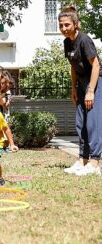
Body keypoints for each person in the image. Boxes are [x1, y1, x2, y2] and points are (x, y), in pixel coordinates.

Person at [58, 6, 102, 176]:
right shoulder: (67, 42)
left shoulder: (84, 40)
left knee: (92, 122)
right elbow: (73, 66)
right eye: (61, 25)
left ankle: (94, 162)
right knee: (80, 121)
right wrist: (74, 88)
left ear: (75, 24)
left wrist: (91, 90)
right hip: (82, 82)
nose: (63, 28)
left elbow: (96, 65)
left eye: (67, 25)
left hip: (96, 80)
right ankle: (83, 160)